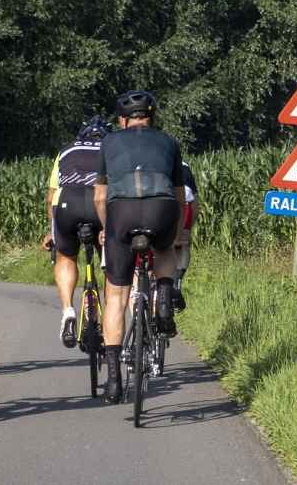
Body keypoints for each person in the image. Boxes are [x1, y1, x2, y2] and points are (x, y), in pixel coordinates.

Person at [93, 90, 185, 404]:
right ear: (152, 117)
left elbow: (99, 197)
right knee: (164, 250)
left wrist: (107, 229)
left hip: (122, 213)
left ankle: (115, 382)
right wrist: (176, 233)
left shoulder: (108, 143)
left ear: (122, 120)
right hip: (161, 209)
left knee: (116, 296)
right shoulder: (170, 142)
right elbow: (178, 193)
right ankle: (162, 297)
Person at [42, 115, 109, 348]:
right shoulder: (112, 148)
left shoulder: (66, 150)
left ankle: (68, 310)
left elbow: (51, 197)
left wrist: (53, 231)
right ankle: (111, 318)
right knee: (113, 263)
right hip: (98, 204)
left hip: (67, 204)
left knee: (66, 256)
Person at [172, 160, 198, 312]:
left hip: (156, 204)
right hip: (184, 205)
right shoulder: (184, 166)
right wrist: (188, 228)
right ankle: (177, 280)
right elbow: (195, 204)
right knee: (183, 243)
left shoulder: (144, 160)